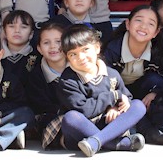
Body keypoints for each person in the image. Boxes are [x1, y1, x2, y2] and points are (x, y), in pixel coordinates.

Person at [56, 25, 146, 157]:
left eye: (85, 49)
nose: (81, 57)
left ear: (97, 48)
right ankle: (117, 144)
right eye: (73, 54)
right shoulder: (68, 80)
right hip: (81, 131)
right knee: (71, 118)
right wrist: (113, 96)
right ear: (67, 57)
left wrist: (115, 107)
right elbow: (84, 110)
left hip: (109, 125)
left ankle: (97, 141)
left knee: (138, 105)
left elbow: (126, 98)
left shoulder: (111, 73)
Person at [102, 5, 163, 107]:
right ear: (128, 24)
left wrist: (156, 92)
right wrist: (116, 99)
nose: (143, 26)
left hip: (143, 96)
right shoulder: (112, 49)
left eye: (151, 23)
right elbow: (101, 81)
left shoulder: (158, 51)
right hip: (115, 94)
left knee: (155, 80)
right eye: (139, 20)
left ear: (156, 32)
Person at [24, 22, 67, 149]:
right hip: (51, 117)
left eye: (58, 41)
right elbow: (41, 106)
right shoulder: (36, 75)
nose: (53, 47)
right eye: (46, 43)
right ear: (39, 48)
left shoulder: (77, 68)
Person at [1, 10, 38, 77]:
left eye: (23, 27)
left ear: (31, 34)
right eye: (12, 26)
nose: (17, 31)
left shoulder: (38, 57)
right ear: (4, 32)